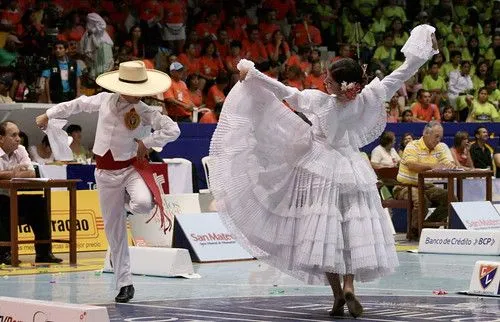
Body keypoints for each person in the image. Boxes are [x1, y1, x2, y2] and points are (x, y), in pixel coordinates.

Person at [209, 25, 438, 318]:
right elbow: (404, 71)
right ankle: (350, 286)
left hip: (321, 168)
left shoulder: (319, 101)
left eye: (328, 79)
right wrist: (422, 46)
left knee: (323, 233)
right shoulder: (369, 97)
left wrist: (252, 74)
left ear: (340, 84)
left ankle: (336, 294)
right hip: (353, 169)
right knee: (352, 230)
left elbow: (283, 91)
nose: (324, 81)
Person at [35, 60, 180, 303]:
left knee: (144, 203)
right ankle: (125, 283)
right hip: (104, 174)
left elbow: (172, 129)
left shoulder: (145, 110)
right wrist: (49, 114)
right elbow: (77, 104)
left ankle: (125, 206)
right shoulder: (103, 100)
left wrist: (147, 142)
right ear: (121, 86)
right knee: (115, 233)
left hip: (130, 169)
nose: (137, 95)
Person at [0, 121, 62, 265]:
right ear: (1, 138)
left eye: (18, 135)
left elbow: (31, 173)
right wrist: (14, 172)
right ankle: (3, 253)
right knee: (2, 203)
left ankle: (44, 253)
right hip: (2, 200)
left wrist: (10, 174)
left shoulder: (21, 149)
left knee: (38, 203)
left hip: (13, 197)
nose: (18, 138)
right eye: (13, 135)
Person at [394, 122, 457, 240]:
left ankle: (426, 230)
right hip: (405, 186)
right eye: (436, 136)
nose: (439, 140)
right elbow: (412, 165)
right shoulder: (412, 146)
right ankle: (414, 232)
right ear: (426, 134)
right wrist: (433, 166)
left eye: (440, 137)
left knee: (451, 198)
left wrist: (451, 165)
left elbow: (447, 163)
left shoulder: (439, 147)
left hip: (426, 186)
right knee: (422, 200)